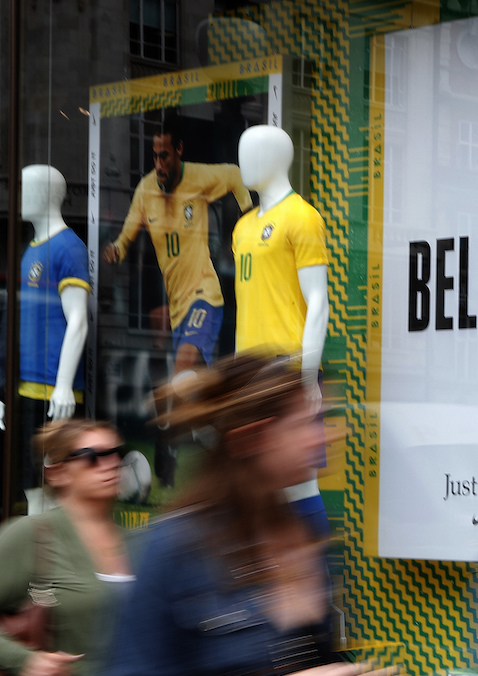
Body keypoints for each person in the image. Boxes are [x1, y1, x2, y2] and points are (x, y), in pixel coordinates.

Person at [105, 354, 385, 676]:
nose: (327, 436)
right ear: (252, 438)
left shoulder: (306, 532)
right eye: (305, 424)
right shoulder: (176, 546)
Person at [103, 113, 252, 487]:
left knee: (181, 372)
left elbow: (235, 175)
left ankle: (182, 440)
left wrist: (249, 216)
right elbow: (126, 235)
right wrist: (117, 250)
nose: (159, 164)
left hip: (206, 295)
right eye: (155, 156)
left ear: (179, 152)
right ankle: (221, 444)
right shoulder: (145, 191)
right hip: (177, 307)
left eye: (165, 155)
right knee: (193, 388)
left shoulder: (199, 179)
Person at [233, 125, 331, 538]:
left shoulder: (302, 217)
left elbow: (319, 303)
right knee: (253, 482)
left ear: (277, 158)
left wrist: (308, 376)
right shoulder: (241, 228)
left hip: (288, 367)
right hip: (248, 371)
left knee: (299, 481)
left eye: (250, 152)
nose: (242, 162)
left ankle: (321, 591)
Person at [0, 419, 133, 676]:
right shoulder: (32, 534)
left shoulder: (141, 540)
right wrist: (23, 660)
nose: (113, 463)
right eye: (93, 456)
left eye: (118, 453)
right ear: (58, 472)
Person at [16, 165, 90, 514]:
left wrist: (63, 385)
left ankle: (49, 559)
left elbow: (78, 320)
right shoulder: (30, 250)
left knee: (51, 484)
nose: (21, 195)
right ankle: (39, 558)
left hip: (53, 391)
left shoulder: (68, 248)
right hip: (27, 386)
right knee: (31, 483)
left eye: (26, 187)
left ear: (47, 194)